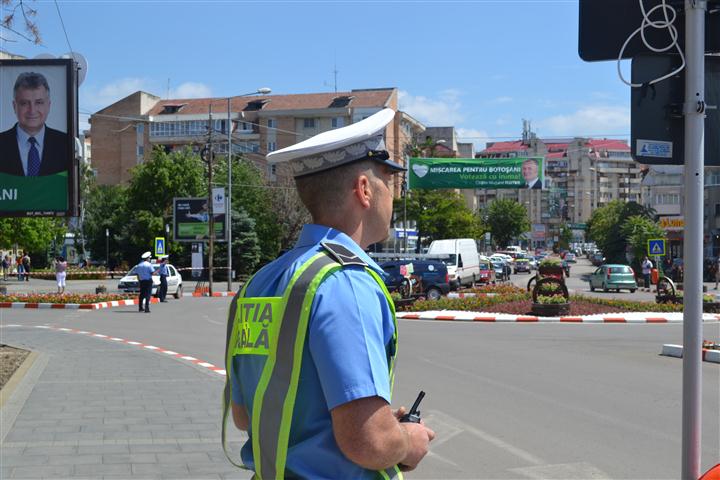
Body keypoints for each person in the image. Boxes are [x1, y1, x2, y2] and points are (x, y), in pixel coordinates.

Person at [222, 109, 434, 479]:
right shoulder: (346, 282)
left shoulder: (261, 282)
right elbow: (369, 442)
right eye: (387, 178)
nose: (393, 194)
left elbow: (245, 415)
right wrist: (406, 439)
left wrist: (379, 421)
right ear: (364, 190)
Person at [0, 71, 68, 176]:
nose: (32, 110)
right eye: (24, 103)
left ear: (48, 105)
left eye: (39, 102)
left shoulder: (65, 144)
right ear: (14, 106)